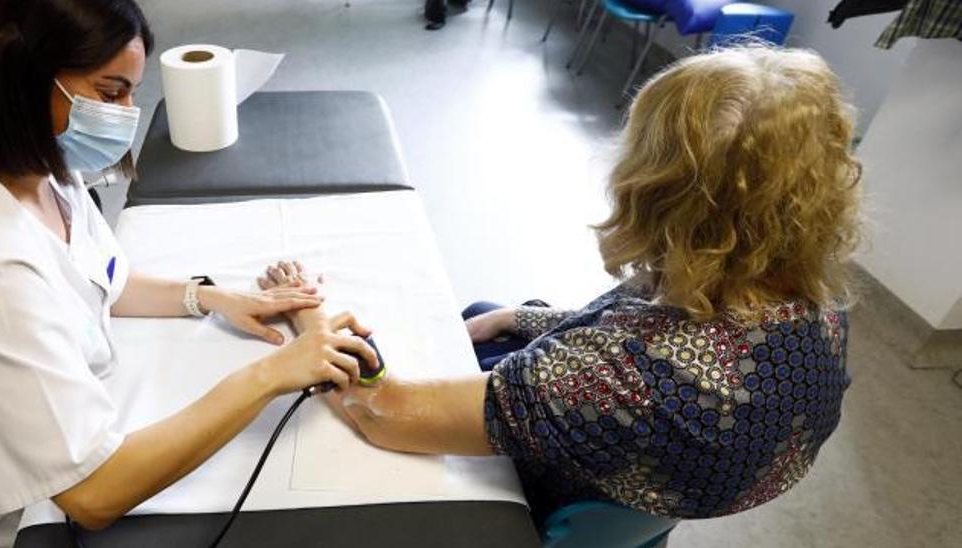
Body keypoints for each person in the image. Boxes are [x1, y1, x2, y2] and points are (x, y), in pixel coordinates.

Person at [260, 45, 861, 522]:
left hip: (574, 490)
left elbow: (384, 413)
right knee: (484, 313)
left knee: (351, 429)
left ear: (654, 189)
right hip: (684, 471)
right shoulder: (818, 300)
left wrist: (311, 323)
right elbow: (642, 325)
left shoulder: (613, 376)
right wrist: (518, 320)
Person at [0, 1, 377, 545]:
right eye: (110, 93)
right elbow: (93, 494)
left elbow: (96, 277)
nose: (128, 113)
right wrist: (270, 376)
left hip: (65, 454)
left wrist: (210, 299)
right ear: (22, 79)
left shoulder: (37, 169)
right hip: (12, 529)